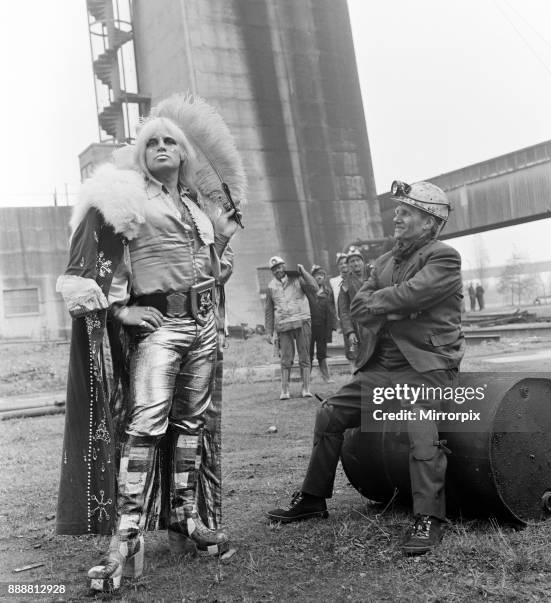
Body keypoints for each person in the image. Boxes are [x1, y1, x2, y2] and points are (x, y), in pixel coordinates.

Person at [55, 94, 245, 592]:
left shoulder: (194, 205)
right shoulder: (124, 197)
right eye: (152, 142)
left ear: (183, 155)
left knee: (190, 424)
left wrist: (219, 250)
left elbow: (206, 270)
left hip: (202, 326)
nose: (162, 147)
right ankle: (127, 534)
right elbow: (93, 265)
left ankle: (185, 517)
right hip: (159, 327)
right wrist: (122, 309)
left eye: (171, 142)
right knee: (145, 424)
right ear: (141, 154)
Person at [267, 180, 464, 556]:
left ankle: (429, 518)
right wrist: (398, 305)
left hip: (426, 368)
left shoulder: (444, 257)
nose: (398, 217)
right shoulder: (387, 261)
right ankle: (312, 498)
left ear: (429, 221)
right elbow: (359, 306)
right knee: (330, 413)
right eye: (399, 211)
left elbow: (413, 294)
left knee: (420, 423)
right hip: (382, 368)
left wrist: (390, 302)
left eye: (407, 212)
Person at [264, 258, 318, 399]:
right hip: (283, 325)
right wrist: (268, 332)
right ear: (272, 271)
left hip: (302, 320)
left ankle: (306, 388)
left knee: (304, 355)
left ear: (284, 266)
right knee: (286, 358)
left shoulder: (298, 278)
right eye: (274, 269)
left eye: (279, 267)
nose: (278, 270)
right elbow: (268, 310)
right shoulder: (270, 286)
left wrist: (305, 273)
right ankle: (285, 390)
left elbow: (314, 288)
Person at [306, 265, 337, 382]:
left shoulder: (328, 291)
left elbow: (332, 308)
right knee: (308, 353)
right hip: (309, 327)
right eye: (316, 275)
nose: (319, 277)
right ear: (312, 277)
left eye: (322, 275)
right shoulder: (307, 290)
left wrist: (333, 325)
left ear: (324, 277)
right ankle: (306, 378)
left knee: (322, 352)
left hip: (323, 327)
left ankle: (326, 377)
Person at [337, 246, 366, 363]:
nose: (355, 263)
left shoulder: (374, 278)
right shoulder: (345, 284)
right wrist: (350, 332)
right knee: (356, 357)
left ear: (363, 262)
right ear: (348, 265)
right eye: (352, 261)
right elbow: (343, 311)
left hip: (375, 326)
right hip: (357, 327)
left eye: (358, 260)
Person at [329, 252, 349, 319]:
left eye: (345, 263)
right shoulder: (333, 282)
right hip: (342, 318)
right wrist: (335, 315)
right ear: (338, 266)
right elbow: (330, 302)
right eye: (341, 264)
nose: (343, 265)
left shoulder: (355, 278)